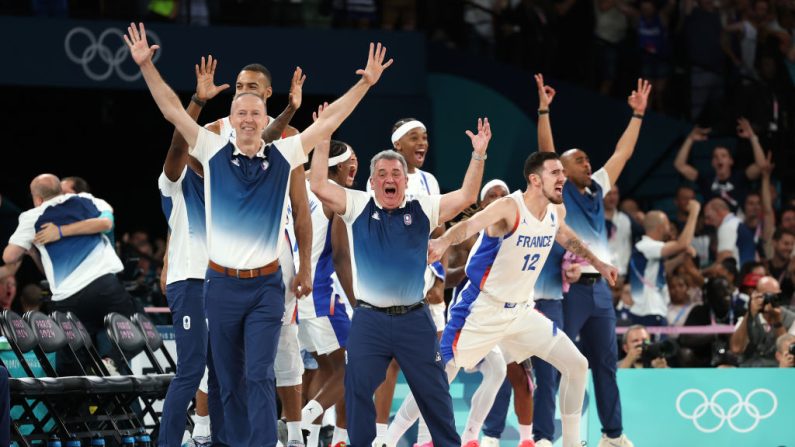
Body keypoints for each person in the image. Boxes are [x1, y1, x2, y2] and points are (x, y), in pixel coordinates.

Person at [126, 22, 393, 445]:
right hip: (220, 285)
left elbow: (329, 123)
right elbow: (171, 111)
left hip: (267, 286)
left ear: (266, 118)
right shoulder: (211, 151)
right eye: (241, 113)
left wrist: (365, 85)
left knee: (259, 374)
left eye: (255, 113)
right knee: (226, 380)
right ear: (230, 121)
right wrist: (145, 66)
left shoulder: (284, 153)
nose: (249, 119)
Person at [399, 151, 617, 447]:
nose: (562, 178)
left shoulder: (555, 212)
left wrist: (599, 264)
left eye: (562, 173)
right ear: (535, 179)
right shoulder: (508, 207)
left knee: (576, 365)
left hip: (520, 313)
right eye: (555, 173)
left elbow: (567, 237)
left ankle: (571, 443)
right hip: (481, 308)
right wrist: (441, 241)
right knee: (437, 378)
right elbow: (468, 226)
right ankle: (387, 438)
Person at [308, 113, 492, 446]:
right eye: (382, 174)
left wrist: (478, 154)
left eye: (396, 173)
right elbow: (319, 185)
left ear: (406, 181)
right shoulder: (358, 204)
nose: (390, 178)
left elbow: (466, 196)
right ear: (372, 181)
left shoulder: (423, 206)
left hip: (415, 319)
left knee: (435, 394)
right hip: (369, 319)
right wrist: (323, 140)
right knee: (357, 389)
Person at [533, 73, 648, 447]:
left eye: (586, 159)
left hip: (600, 292)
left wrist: (638, 116)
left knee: (605, 365)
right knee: (555, 363)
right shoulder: (560, 190)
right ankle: (545, 437)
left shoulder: (598, 186)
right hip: (567, 290)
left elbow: (623, 153)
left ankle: (612, 435)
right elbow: (547, 151)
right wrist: (544, 109)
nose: (588, 162)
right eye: (579, 160)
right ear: (563, 172)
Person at [368, 117, 447, 446]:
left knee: (431, 366)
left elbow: (439, 231)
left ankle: (427, 439)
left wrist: (439, 279)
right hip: (391, 288)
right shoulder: (379, 178)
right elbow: (371, 233)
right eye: (414, 137)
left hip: (428, 288)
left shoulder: (430, 180)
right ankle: (381, 437)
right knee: (391, 365)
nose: (422, 143)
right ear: (396, 144)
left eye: (425, 137)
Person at [3, 174, 132, 366]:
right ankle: (109, 364)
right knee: (127, 338)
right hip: (103, 288)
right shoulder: (88, 201)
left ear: (37, 199)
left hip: (70, 298)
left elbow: (9, 257)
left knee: (71, 363)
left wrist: (58, 232)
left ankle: (95, 377)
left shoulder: (33, 217)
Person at [299, 136, 359, 447]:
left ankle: (308, 439)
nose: (355, 164)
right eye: (351, 159)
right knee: (352, 368)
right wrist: (357, 304)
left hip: (296, 297)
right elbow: (340, 256)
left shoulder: (300, 186)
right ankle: (299, 423)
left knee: (326, 368)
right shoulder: (334, 197)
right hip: (322, 296)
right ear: (335, 168)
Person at [627, 201, 700, 326]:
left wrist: (681, 258)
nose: (670, 228)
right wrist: (694, 212)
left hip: (653, 312)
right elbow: (682, 244)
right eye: (668, 225)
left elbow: (661, 270)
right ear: (661, 227)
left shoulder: (647, 249)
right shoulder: (646, 246)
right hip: (648, 313)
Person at [673, 118, 768, 213]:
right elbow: (680, 165)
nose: (719, 159)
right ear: (712, 163)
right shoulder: (706, 179)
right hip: (712, 225)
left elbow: (761, 165)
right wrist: (690, 139)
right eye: (715, 157)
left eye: (723, 156)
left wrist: (752, 137)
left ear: (731, 161)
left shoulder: (740, 177)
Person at [729, 276, 795, 366]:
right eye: (767, 295)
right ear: (756, 294)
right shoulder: (747, 317)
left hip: (778, 372)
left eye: (775, 296)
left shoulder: (791, 318)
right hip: (749, 371)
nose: (770, 299)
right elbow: (736, 349)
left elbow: (789, 353)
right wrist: (750, 313)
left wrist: (777, 322)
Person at [60, 176, 117, 246]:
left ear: (80, 193)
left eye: (64, 193)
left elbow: (105, 224)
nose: (59, 197)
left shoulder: (98, 203)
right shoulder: (60, 210)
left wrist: (60, 231)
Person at [703, 198, 756, 268]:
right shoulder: (738, 224)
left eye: (708, 217)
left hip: (739, 275)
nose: (706, 222)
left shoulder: (727, 227)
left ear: (719, 212)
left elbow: (723, 263)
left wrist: (702, 273)